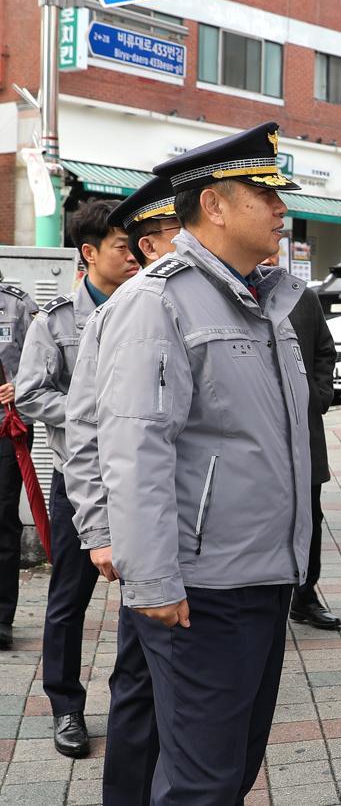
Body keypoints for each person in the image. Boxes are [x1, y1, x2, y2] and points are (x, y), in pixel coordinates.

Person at [90, 122, 312, 803]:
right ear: (214, 204)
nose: (281, 210)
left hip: (263, 577)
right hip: (203, 592)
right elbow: (134, 450)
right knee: (203, 782)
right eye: (266, 195)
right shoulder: (158, 301)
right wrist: (153, 583)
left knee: (230, 768)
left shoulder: (262, 299)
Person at [65, 176, 180, 806]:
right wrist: (101, 531)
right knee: (138, 682)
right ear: (151, 246)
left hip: (199, 542)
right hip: (141, 538)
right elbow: (84, 430)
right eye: (171, 240)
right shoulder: (125, 311)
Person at [17, 198, 139, 758]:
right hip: (79, 481)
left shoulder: (148, 309)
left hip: (139, 481)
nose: (134, 255)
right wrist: (92, 409)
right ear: (89, 254)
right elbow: (31, 393)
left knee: (145, 595)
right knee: (69, 599)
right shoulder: (55, 320)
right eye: (122, 246)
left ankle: (135, 702)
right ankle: (65, 705)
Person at [265, 250, 341, 630]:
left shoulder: (301, 296)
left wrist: (318, 396)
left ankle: (305, 595)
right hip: (257, 442)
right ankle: (267, 595)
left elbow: (325, 351)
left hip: (305, 435)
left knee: (309, 518)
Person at [0, 261, 37, 652]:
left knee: (2, 519)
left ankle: (1, 619)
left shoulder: (18, 305)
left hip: (5, 428)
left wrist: (19, 388)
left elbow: (40, 364)